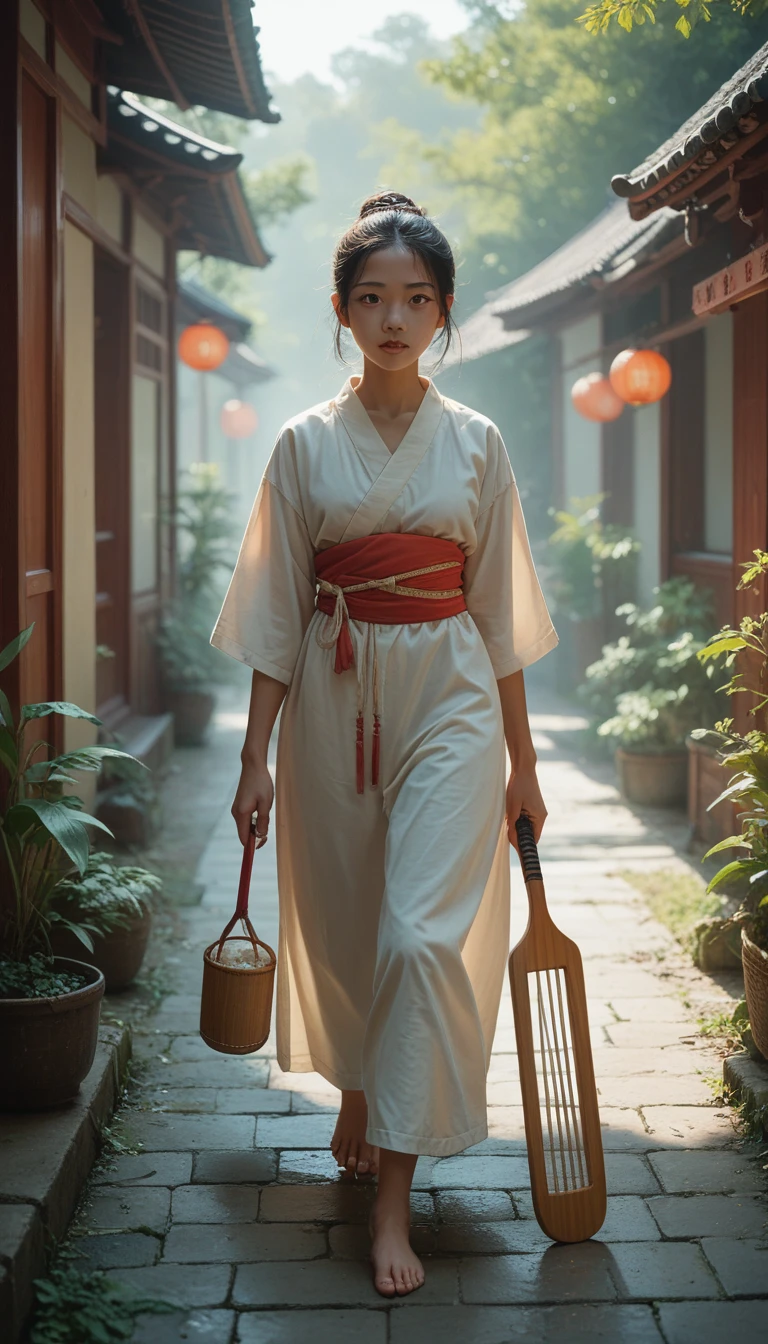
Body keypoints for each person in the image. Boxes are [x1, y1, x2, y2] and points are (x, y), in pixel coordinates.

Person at [210, 190, 558, 1298]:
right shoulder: (304, 443)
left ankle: (393, 1197)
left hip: (450, 692)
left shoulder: (478, 444)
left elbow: (502, 613)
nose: (395, 318)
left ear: (445, 312)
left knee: (417, 936)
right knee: (354, 920)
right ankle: (360, 1084)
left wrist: (528, 762)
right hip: (332, 695)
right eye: (374, 298)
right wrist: (254, 756)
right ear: (343, 311)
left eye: (416, 299)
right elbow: (273, 612)